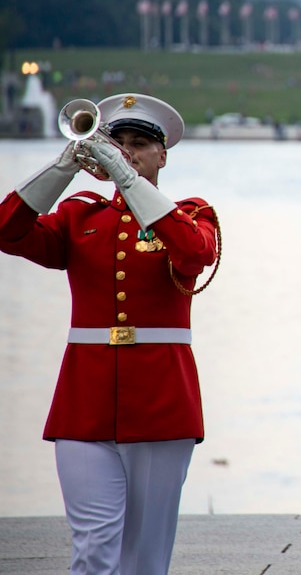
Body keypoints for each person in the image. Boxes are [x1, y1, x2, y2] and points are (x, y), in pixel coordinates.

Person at [0, 93, 220, 575]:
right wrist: (61, 170)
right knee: (93, 548)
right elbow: (7, 232)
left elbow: (193, 254)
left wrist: (127, 178)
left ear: (162, 155)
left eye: (139, 144)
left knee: (144, 556)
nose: (127, 151)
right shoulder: (79, 216)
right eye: (116, 143)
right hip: (85, 402)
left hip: (161, 405)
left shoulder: (192, 214)